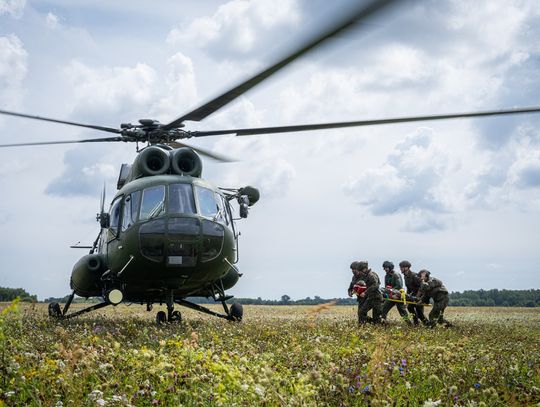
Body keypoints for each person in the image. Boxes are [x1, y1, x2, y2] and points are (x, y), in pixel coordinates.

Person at [380, 261, 411, 325]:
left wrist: (391, 290)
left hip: (398, 296)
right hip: (391, 296)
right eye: (384, 268)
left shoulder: (396, 275)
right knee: (383, 309)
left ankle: (409, 324)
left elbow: (399, 286)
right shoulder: (386, 276)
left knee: (402, 312)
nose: (385, 269)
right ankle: (383, 323)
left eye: (386, 268)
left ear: (390, 267)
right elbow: (386, 287)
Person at [399, 260, 427, 325]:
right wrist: (406, 298)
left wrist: (418, 297)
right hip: (412, 296)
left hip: (419, 296)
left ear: (406, 268)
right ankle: (416, 324)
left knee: (419, 313)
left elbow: (422, 286)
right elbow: (409, 289)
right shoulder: (405, 276)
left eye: (401, 267)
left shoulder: (414, 276)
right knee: (410, 308)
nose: (400, 269)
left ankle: (428, 325)